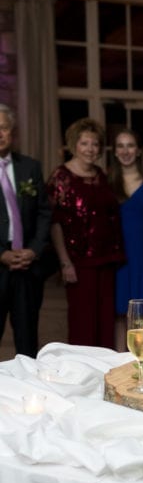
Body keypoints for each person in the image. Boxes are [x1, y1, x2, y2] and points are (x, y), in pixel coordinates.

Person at [47, 118, 124, 348]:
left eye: (95, 144)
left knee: (105, 324)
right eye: (84, 143)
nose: (90, 149)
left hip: (108, 259)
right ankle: (81, 378)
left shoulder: (101, 175)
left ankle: (104, 377)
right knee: (83, 323)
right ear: (74, 145)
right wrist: (64, 262)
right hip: (79, 262)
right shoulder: (61, 177)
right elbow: (54, 223)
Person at [0, 104, 52, 357]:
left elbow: (44, 212)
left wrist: (34, 249)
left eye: (3, 127)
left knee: (27, 340)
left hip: (27, 265)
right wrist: (1, 253)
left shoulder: (29, 167)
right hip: (0, 261)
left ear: (12, 132)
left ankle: (29, 394)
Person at [108, 127, 143, 351]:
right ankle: (120, 361)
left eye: (130, 145)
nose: (125, 150)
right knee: (120, 311)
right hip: (118, 252)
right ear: (115, 151)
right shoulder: (107, 179)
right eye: (121, 146)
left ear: (139, 151)